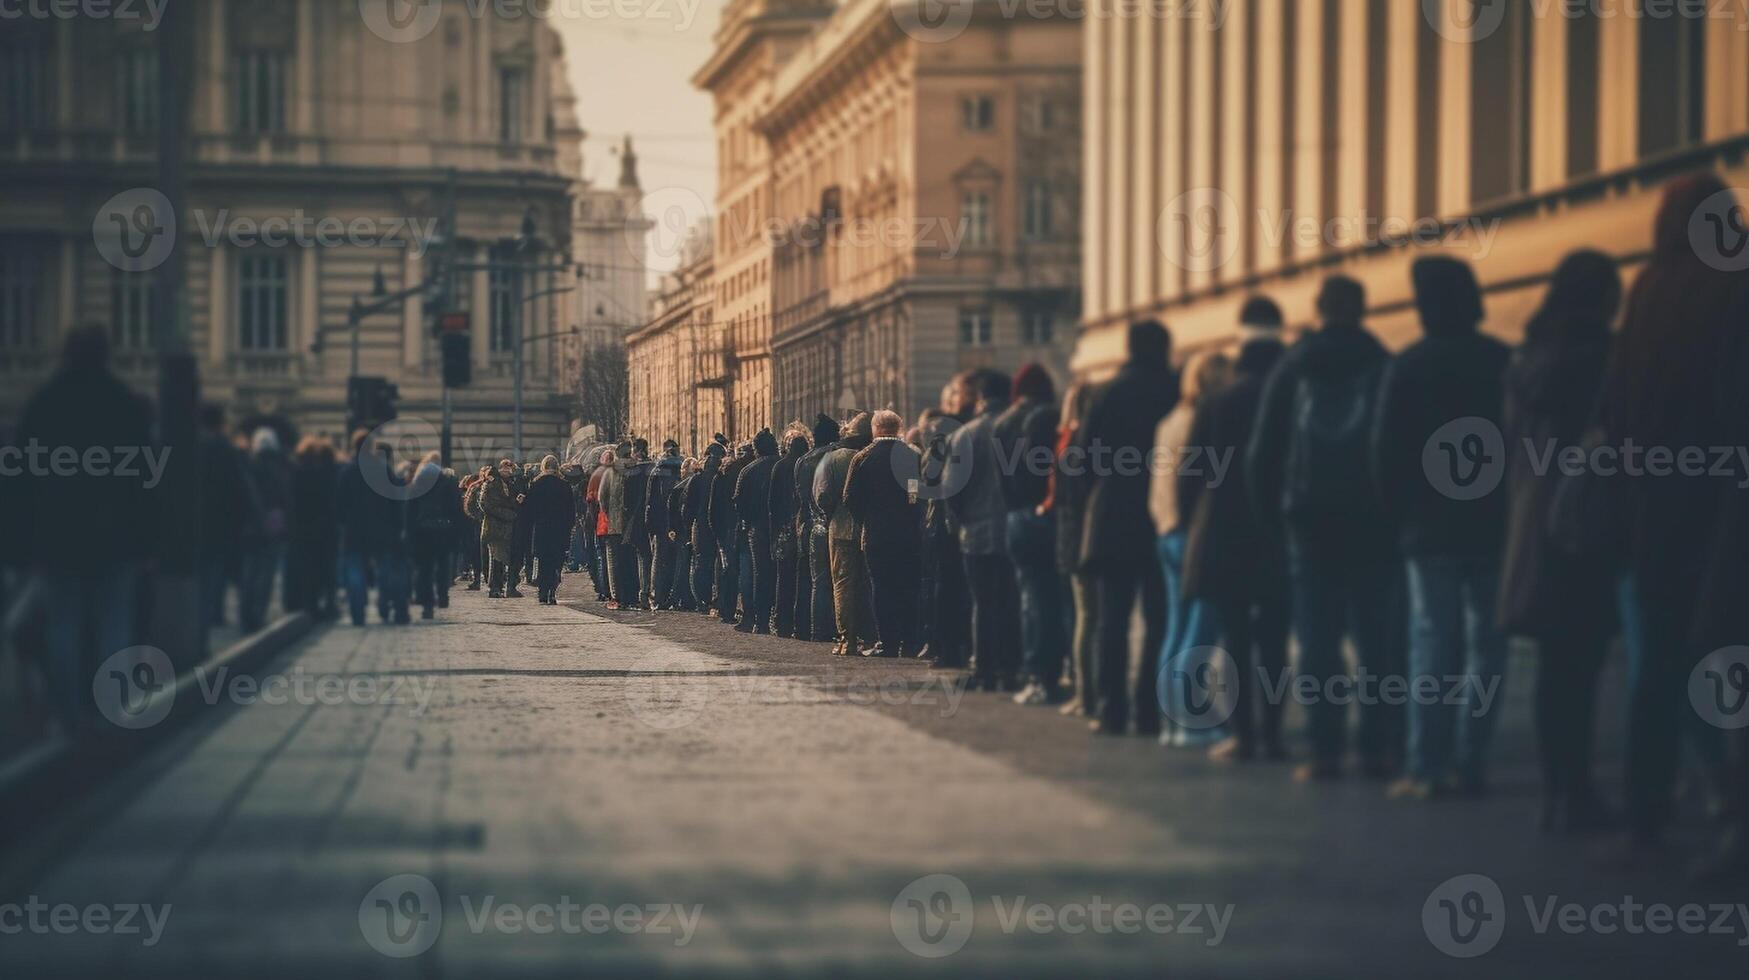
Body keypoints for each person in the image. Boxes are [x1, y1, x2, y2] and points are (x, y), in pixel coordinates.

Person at [1596, 174, 1749, 859]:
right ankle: (1733, 821)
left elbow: (1616, 409)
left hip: (1655, 512)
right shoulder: (1737, 286)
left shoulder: (1647, 290)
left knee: (1655, 669)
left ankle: (1643, 821)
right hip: (1725, 509)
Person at [1249, 276, 1400, 781]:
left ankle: (1324, 749)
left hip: (1309, 521)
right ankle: (1378, 746)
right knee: (1377, 638)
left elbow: (1261, 454)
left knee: (1317, 640)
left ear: (1318, 309)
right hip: (1373, 521)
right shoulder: (1382, 362)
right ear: (1362, 309)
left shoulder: (1294, 365)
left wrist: (1276, 518)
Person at [1374, 257, 1512, 801]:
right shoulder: (1500, 359)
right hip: (1491, 524)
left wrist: (1399, 517)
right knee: (1488, 646)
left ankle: (1425, 766)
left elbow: (1385, 453)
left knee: (1431, 642)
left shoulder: (1408, 365)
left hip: (1427, 529)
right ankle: (1470, 759)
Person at [1495, 250, 1621, 832]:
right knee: (1585, 659)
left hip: (1535, 517)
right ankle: (1580, 791)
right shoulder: (1605, 357)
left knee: (1553, 662)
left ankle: (1556, 792)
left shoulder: (1528, 359)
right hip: (1592, 521)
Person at [15, 325, 154, 731]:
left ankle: (68, 713)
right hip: (118, 536)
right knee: (114, 621)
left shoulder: (44, 403)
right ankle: (110, 707)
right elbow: (145, 478)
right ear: (105, 354)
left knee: (64, 623)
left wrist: (22, 542)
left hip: (58, 536)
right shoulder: (123, 403)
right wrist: (148, 539)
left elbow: (21, 479)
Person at [1184, 300, 1290, 761]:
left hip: (1226, 533)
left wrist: (1194, 526)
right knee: (1276, 639)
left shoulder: (1219, 400)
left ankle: (1243, 734)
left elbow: (1191, 475)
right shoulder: (1294, 391)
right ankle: (1274, 734)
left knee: (1235, 638)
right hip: (1283, 531)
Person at [1078, 321, 1180, 735]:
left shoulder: (1107, 391)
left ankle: (1111, 709)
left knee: (1111, 620)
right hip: (1162, 517)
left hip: (1112, 515)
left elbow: (1083, 458)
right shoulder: (1175, 388)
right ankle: (1149, 710)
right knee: (1159, 618)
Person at [1153, 349, 1236, 749]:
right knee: (1200, 633)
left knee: (1176, 628)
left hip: (1166, 531)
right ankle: (1192, 722)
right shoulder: (1207, 420)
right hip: (1195, 535)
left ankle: (1171, 720)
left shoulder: (1170, 420)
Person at [946, 369, 1021, 690]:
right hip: (1014, 528)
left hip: (976, 531)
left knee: (983, 603)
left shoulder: (966, 434)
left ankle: (985, 669)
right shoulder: (1020, 429)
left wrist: (962, 522)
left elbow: (952, 488)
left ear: (981, 398)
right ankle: (1011, 669)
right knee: (1013, 602)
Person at [996, 363, 1066, 704]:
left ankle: (1036, 672)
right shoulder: (1053, 418)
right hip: (1049, 513)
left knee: (1030, 599)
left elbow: (1002, 480)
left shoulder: (1003, 423)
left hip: (1016, 516)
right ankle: (1052, 671)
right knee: (1056, 599)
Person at [844, 410, 922, 657]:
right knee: (909, 586)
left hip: (876, 533)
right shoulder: (911, 456)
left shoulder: (862, 458)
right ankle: (910, 643)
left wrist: (865, 518)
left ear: (875, 429)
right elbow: (915, 493)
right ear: (899, 428)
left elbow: (850, 498)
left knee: (881, 587)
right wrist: (911, 512)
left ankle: (887, 643)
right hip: (908, 533)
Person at [1043, 383, 1095, 713]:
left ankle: (1083, 690)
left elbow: (1060, 494)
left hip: (1072, 536)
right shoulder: (1084, 441)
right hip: (1084, 535)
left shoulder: (1065, 441)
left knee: (1083, 616)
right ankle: (1087, 690)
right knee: (1090, 617)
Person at [816, 413, 875, 656]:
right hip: (868, 528)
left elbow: (821, 496)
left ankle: (846, 639)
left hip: (840, 527)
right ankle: (870, 638)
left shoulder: (832, 458)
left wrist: (831, 514)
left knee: (842, 583)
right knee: (868, 584)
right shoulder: (870, 457)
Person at [198, 404, 255, 625]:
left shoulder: (187, 444)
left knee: (204, 574)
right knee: (217, 573)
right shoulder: (225, 449)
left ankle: (207, 617)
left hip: (197, 524)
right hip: (223, 524)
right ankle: (213, 615)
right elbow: (241, 489)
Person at [239, 428, 293, 632]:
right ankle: (257, 613)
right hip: (273, 526)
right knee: (266, 573)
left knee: (248, 572)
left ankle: (245, 615)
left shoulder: (248, 466)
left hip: (249, 528)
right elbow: (286, 498)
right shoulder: (280, 467)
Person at [793, 416, 841, 642]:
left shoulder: (803, 461)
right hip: (836, 522)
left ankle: (817, 630)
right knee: (841, 580)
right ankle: (840, 628)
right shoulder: (836, 456)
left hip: (812, 525)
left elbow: (800, 498)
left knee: (817, 581)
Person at [285, 435, 339, 619]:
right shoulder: (324, 474)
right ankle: (326, 605)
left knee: (307, 568)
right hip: (324, 529)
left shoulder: (296, 473)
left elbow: (291, 503)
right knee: (325, 567)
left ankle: (310, 604)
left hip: (301, 530)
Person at [735, 428, 781, 634]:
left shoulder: (748, 470)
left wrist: (747, 520)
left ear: (756, 449)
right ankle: (780, 618)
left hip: (756, 528)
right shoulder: (783, 466)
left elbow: (739, 502)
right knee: (782, 574)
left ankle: (760, 621)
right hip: (781, 526)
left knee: (760, 574)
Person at [407, 451, 461, 619]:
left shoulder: (417, 482)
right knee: (443, 565)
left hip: (423, 530)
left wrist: (410, 530)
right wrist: (455, 529)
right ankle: (443, 596)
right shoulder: (448, 481)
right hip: (443, 529)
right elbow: (456, 508)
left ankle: (427, 605)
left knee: (425, 568)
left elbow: (411, 509)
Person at [768, 425, 810, 637]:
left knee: (783, 578)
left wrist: (773, 535)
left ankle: (783, 624)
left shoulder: (780, 466)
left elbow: (772, 504)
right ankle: (802, 625)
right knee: (803, 578)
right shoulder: (808, 464)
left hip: (784, 528)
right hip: (803, 525)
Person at [466, 458, 523, 600]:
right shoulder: (492, 484)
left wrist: (515, 503)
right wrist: (510, 510)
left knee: (502, 558)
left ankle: (500, 587)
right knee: (496, 559)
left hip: (505, 527)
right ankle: (495, 588)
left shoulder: (509, 484)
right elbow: (487, 504)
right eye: (506, 467)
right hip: (495, 527)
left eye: (510, 468)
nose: (508, 471)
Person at [525, 455, 576, 605]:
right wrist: (569, 526)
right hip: (560, 530)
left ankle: (542, 592)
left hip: (541, 529)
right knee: (556, 562)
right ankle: (553, 592)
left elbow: (530, 510)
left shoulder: (536, 484)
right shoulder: (564, 485)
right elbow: (570, 510)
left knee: (543, 562)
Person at [712, 438, 753, 624]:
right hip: (742, 526)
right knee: (744, 570)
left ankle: (726, 609)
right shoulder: (746, 472)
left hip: (726, 527)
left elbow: (713, 508)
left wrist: (717, 532)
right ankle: (743, 609)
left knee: (728, 570)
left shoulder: (723, 473)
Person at [684, 441, 724, 615]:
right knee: (720, 563)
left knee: (701, 563)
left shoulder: (697, 479)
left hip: (701, 525)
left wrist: (687, 525)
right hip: (721, 525)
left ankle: (703, 600)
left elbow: (687, 506)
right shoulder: (723, 476)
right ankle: (719, 599)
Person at [646, 440, 684, 610]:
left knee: (659, 560)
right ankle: (675, 596)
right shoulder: (683, 469)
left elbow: (651, 501)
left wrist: (650, 523)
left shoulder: (657, 471)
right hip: (678, 522)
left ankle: (657, 596)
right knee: (678, 561)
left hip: (660, 522)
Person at [597, 443, 634, 609]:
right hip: (631, 524)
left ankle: (616, 596)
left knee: (613, 561)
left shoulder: (609, 472)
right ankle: (630, 594)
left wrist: (609, 514)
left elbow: (601, 497)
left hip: (613, 524)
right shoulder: (635, 470)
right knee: (629, 560)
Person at [622, 439, 655, 609]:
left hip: (637, 519)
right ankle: (652, 592)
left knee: (642, 558)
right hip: (654, 517)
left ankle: (644, 593)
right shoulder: (655, 469)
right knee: (653, 557)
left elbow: (626, 502)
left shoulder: (631, 473)